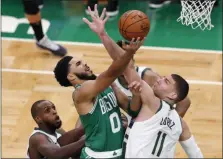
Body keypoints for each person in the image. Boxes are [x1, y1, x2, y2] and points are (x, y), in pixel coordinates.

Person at [85, 10, 203, 157]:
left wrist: (103, 34)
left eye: (165, 81)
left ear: (173, 94)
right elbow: (196, 154)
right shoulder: (181, 124)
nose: (159, 79)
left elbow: (125, 66)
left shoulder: (152, 103)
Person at [53, 5, 144, 158]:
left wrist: (135, 96)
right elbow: (112, 72)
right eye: (78, 64)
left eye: (82, 61)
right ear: (71, 77)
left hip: (120, 153)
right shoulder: (81, 92)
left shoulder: (107, 86)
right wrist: (129, 53)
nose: (85, 64)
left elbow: (131, 109)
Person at [115, 40, 191, 118]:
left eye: (127, 58)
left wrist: (170, 125)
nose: (123, 62)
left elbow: (184, 102)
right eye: (119, 58)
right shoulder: (111, 82)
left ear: (133, 61)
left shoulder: (148, 76)